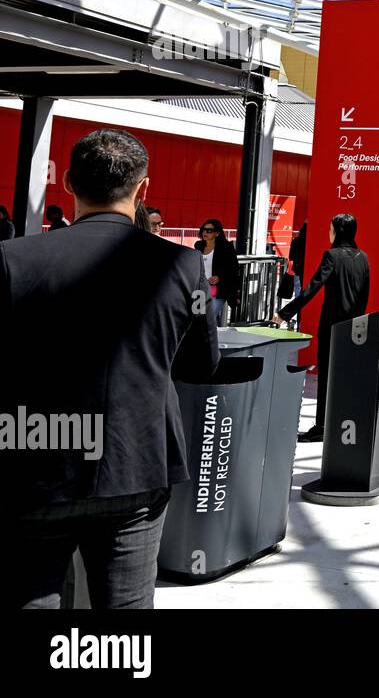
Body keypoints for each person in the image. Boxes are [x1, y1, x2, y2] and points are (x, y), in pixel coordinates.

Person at [0, 128, 219, 608]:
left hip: (34, 461)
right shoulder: (183, 267)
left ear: (69, 184)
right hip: (135, 464)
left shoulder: (12, 259)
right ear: (143, 189)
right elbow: (202, 364)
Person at [273, 213, 370, 442]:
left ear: (338, 231)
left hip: (331, 325)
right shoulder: (363, 258)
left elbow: (312, 287)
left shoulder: (332, 256)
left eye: (330, 229)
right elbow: (364, 294)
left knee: (327, 374)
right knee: (346, 375)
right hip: (354, 327)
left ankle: (322, 426)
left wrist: (284, 314)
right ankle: (341, 422)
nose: (329, 233)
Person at [194, 219, 239, 325]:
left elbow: (233, 268)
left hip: (218, 291)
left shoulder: (225, 247)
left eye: (209, 231)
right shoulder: (198, 246)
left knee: (208, 318)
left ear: (217, 233)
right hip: (200, 289)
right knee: (198, 318)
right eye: (204, 230)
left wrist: (220, 278)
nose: (205, 233)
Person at [288, 221, 307, 299]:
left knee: (297, 288)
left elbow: (291, 257)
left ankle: (297, 308)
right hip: (307, 268)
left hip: (297, 268)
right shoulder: (309, 241)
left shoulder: (295, 241)